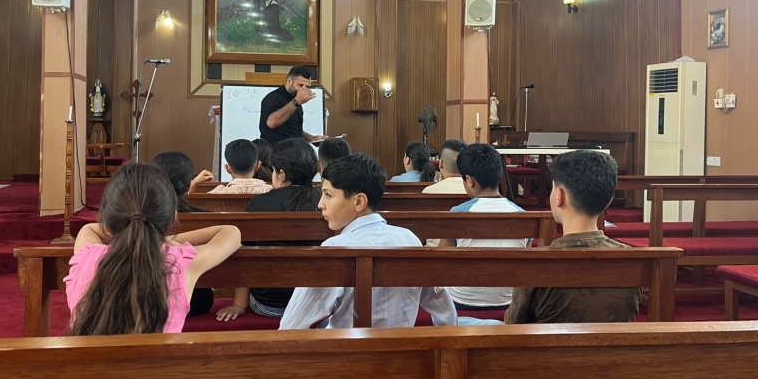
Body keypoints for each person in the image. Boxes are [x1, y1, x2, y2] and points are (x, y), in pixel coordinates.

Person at [51, 162, 241, 379]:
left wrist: (138, 231)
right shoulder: (179, 262)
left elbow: (88, 229)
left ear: (108, 221)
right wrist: (165, 239)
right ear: (172, 218)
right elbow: (231, 232)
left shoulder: (86, 256)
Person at [279, 153, 457, 330]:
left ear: (359, 201)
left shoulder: (333, 249)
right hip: (399, 345)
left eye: (328, 195)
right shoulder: (409, 238)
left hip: (347, 346)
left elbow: (292, 325)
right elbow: (441, 303)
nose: (320, 204)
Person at [505, 149, 641, 324]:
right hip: (614, 343)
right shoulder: (632, 259)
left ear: (559, 196)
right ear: (609, 201)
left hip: (548, 343)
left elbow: (513, 324)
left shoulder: (535, 263)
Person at [215, 139, 321, 322]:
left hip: (268, 305)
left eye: (273, 170)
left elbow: (245, 255)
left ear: (282, 174)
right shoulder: (324, 202)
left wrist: (239, 305)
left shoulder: (259, 204)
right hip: (315, 305)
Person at [438, 143, 528, 311]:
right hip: (509, 300)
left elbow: (443, 261)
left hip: (462, 300)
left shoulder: (457, 213)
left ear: (469, 181)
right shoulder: (522, 215)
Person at [150, 151, 216, 316]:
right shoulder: (207, 219)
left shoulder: (140, 218)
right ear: (187, 186)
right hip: (198, 301)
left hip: (150, 301)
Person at [258, 66, 328, 146]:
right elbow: (271, 123)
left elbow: (293, 129)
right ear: (289, 81)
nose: (303, 90)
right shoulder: (272, 98)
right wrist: (296, 101)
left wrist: (312, 138)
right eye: (300, 85)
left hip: (294, 150)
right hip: (276, 150)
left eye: (307, 86)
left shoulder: (295, 100)